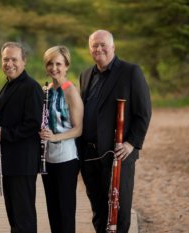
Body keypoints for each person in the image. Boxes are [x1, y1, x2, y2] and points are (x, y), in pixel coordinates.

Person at [78, 29, 152, 233]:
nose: (98, 48)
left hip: (118, 152)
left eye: (103, 44)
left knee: (118, 211)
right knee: (99, 211)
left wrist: (131, 143)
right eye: (94, 45)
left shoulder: (130, 72)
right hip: (90, 155)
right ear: (89, 49)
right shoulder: (85, 75)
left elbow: (143, 112)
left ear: (113, 47)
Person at [0, 42, 43, 233]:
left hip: (22, 162)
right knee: (14, 215)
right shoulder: (9, 84)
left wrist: (4, 133)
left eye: (14, 59)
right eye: (6, 59)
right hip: (10, 162)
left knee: (23, 217)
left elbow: (33, 124)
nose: (9, 63)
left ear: (24, 62)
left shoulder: (31, 88)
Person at [39, 45, 84, 233]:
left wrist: (55, 136)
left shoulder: (70, 90)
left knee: (65, 212)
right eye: (50, 63)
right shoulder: (46, 90)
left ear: (66, 66)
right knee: (53, 211)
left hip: (66, 158)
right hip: (47, 159)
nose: (54, 68)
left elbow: (79, 129)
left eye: (58, 63)